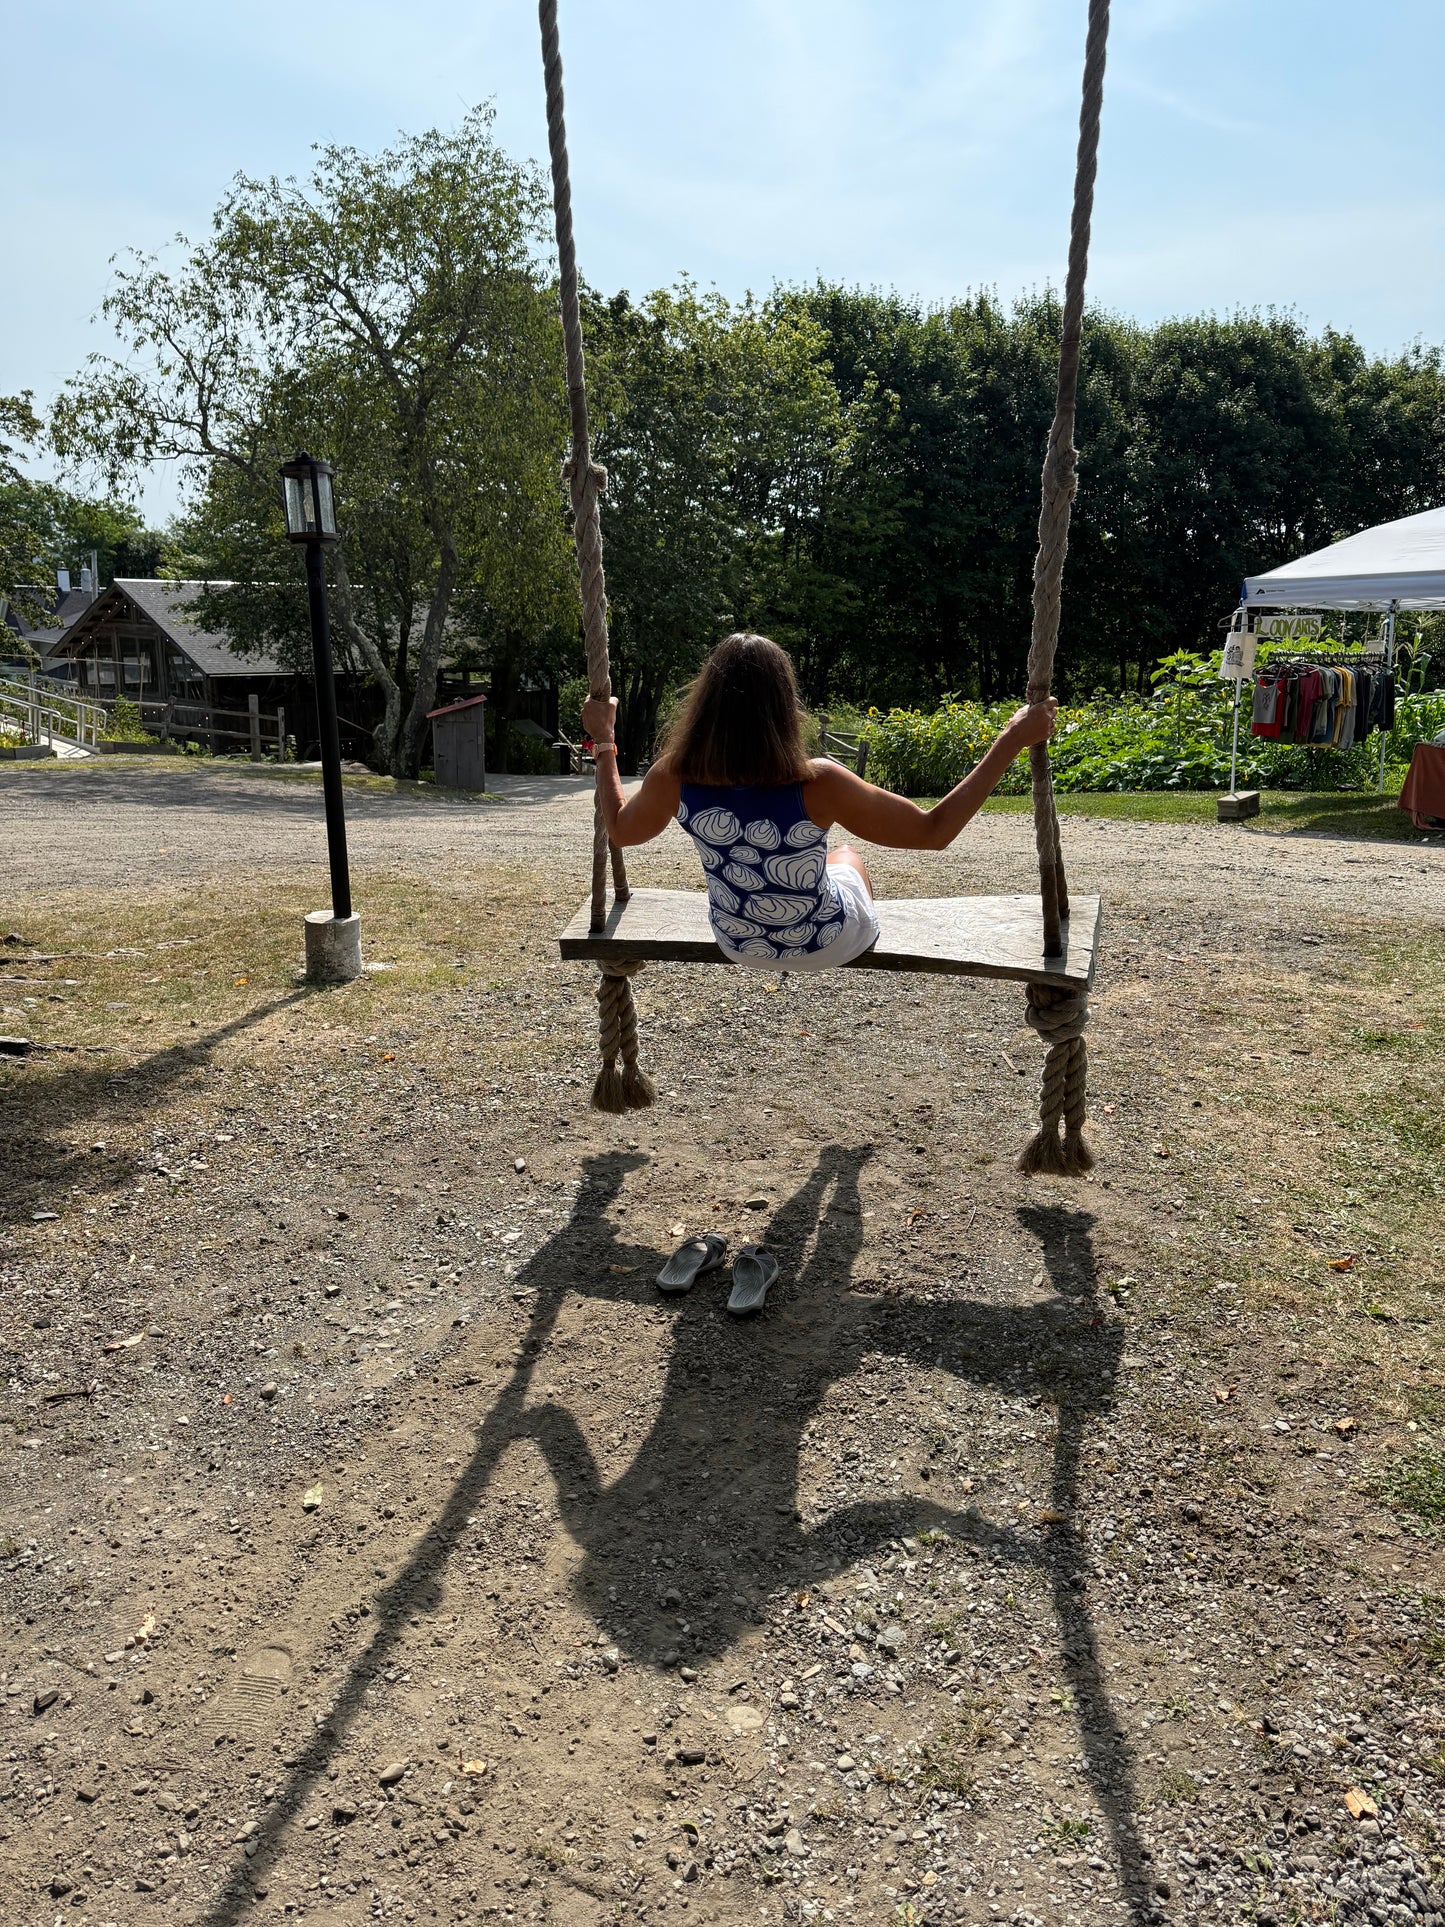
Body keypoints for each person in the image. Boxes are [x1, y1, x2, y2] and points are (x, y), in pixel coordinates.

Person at [583, 631, 1057, 973]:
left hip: (737, 940)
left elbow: (621, 830)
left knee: (823, 861)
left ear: (704, 706)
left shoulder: (674, 776)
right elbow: (934, 832)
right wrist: (1013, 738)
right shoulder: (820, 782)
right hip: (827, 943)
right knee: (846, 855)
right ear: (786, 707)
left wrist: (605, 740)